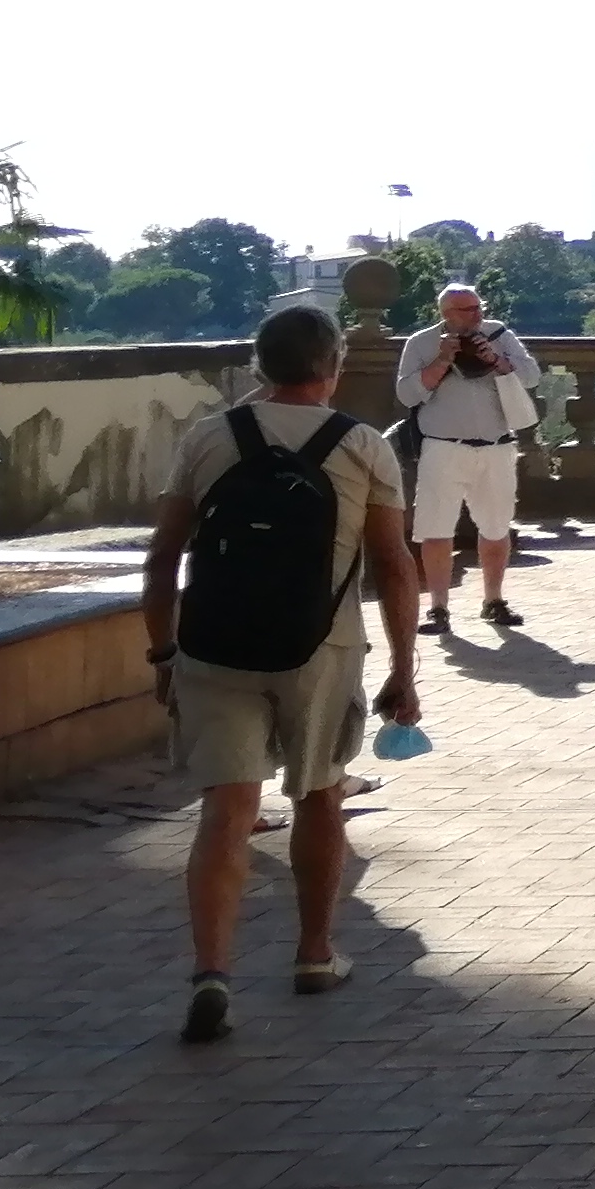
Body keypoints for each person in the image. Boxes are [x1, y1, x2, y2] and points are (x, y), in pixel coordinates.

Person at [142, 304, 423, 1044]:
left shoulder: (209, 437)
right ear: (333, 367)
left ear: (259, 365)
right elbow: (394, 564)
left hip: (215, 645)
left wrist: (163, 652)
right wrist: (404, 669)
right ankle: (314, 953)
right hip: (322, 648)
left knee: (225, 812)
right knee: (319, 794)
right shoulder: (361, 444)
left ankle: (212, 972)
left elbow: (164, 556)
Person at [400, 281, 543, 630]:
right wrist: (442, 360)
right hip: (443, 446)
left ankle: (494, 600)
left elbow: (532, 376)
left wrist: (496, 359)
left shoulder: (499, 335)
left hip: (497, 446)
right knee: (435, 530)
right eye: (469, 309)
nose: (478, 314)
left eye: (480, 307)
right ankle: (438, 609)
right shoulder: (421, 342)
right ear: (447, 314)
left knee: (497, 528)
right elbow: (406, 394)